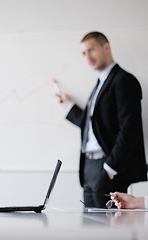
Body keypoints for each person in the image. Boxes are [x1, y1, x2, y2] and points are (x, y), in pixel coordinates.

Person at [56, 31, 147, 208]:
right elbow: (91, 124)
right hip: (89, 167)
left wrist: (111, 168)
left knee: (109, 231)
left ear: (106, 47)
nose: (87, 57)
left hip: (107, 166)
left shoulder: (123, 80)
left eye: (91, 50)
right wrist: (69, 106)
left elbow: (131, 127)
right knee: (90, 230)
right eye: (83, 53)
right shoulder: (99, 85)